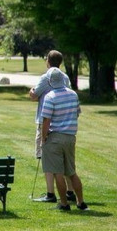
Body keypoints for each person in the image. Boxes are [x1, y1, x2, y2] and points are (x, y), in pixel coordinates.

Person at [29, 50, 76, 203]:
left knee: (46, 157)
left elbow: (35, 95)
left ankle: (50, 193)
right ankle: (70, 192)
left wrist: (31, 92)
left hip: (46, 120)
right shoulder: (65, 77)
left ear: (48, 61)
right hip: (64, 123)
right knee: (66, 161)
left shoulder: (46, 77)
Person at [40, 67, 89, 211]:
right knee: (71, 172)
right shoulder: (73, 94)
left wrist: (44, 138)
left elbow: (46, 121)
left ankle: (64, 203)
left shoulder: (50, 97)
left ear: (50, 82)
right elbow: (77, 113)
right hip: (70, 137)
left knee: (57, 173)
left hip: (55, 137)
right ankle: (80, 202)